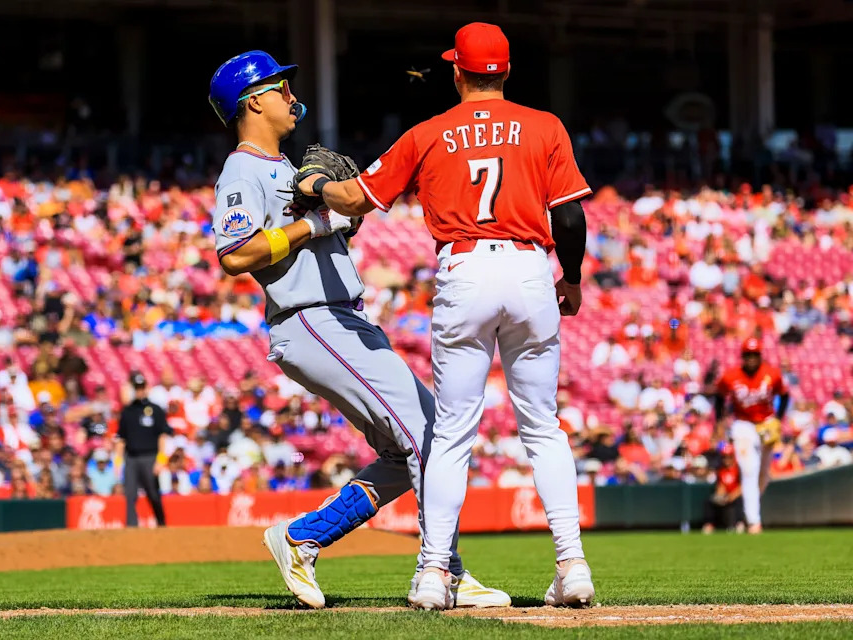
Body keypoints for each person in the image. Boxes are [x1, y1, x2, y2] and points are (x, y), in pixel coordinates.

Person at [294, 23, 594, 609]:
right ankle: (572, 564)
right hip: (532, 268)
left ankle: (433, 573)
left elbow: (355, 199)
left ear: (457, 72)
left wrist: (312, 183)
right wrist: (573, 279)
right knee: (543, 427)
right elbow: (571, 217)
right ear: (505, 71)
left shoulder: (429, 132)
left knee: (452, 433)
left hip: (467, 269)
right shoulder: (545, 126)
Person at [207, 49, 507, 610]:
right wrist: (313, 222)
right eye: (279, 88)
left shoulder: (288, 169)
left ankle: (302, 538)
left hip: (341, 318)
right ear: (252, 101)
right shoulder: (243, 170)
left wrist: (339, 215)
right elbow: (236, 254)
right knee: (428, 436)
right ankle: (446, 571)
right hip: (311, 318)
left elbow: (320, 228)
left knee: (405, 451)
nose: (292, 96)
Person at [714, 337, 790, 534]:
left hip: (766, 423)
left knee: (764, 474)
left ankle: (744, 513)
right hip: (743, 424)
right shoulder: (731, 376)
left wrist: (778, 419)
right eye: (747, 354)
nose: (751, 358)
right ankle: (754, 521)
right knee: (749, 469)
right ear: (742, 356)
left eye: (754, 354)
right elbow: (719, 397)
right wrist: (720, 421)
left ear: (760, 355)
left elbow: (785, 395)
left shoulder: (771, 373)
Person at [116, 371, 171, 527]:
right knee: (130, 493)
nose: (139, 391)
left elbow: (162, 436)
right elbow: (121, 438)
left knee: (153, 493)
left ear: (146, 388)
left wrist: (161, 460)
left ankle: (161, 522)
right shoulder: (127, 412)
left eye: (141, 387)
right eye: (136, 388)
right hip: (131, 457)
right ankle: (131, 526)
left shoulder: (156, 410)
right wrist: (118, 460)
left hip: (150, 457)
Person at [702, 442, 746, 534]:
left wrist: (731, 496)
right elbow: (720, 486)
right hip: (726, 495)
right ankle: (709, 524)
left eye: (729, 456)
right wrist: (720, 495)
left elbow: (742, 487)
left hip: (736, 495)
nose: (726, 459)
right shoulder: (720, 469)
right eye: (724, 457)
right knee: (710, 501)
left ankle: (739, 523)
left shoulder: (739, 468)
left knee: (739, 501)